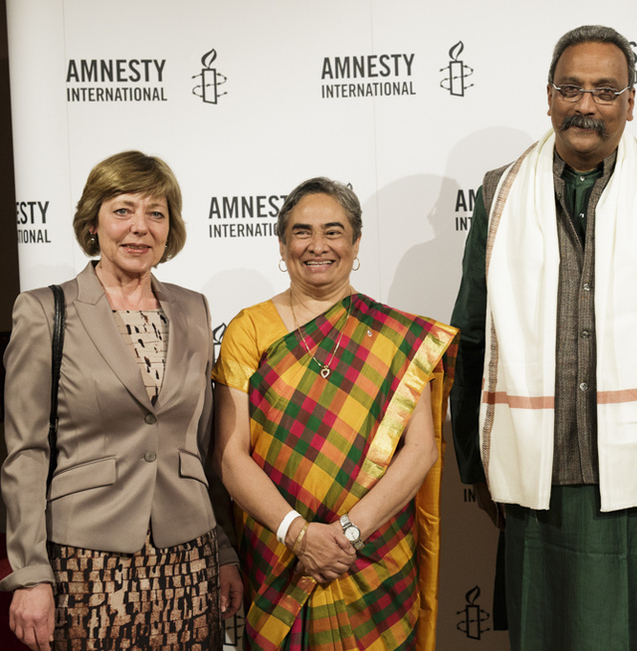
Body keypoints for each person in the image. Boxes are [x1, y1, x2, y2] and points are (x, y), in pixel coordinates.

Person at [450, 24, 637, 650]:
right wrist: (477, 460)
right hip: (534, 477)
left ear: (630, 101)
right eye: (570, 88)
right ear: (548, 97)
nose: (585, 105)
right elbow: (470, 335)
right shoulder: (499, 196)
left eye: (604, 90)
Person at [1, 150, 243, 651]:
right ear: (93, 223)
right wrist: (29, 573)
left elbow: (201, 448)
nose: (140, 228)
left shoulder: (194, 309)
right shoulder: (45, 310)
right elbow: (25, 452)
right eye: (123, 210)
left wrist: (222, 549)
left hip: (187, 557)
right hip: (85, 558)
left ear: (170, 228)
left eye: (156, 213)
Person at [212, 177, 457, 650]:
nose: (318, 246)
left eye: (334, 231)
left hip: (371, 557)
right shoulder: (250, 329)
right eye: (302, 232)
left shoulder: (395, 335)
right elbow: (230, 455)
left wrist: (345, 535)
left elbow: (421, 449)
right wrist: (299, 535)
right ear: (282, 245)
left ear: (356, 242)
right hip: (280, 556)